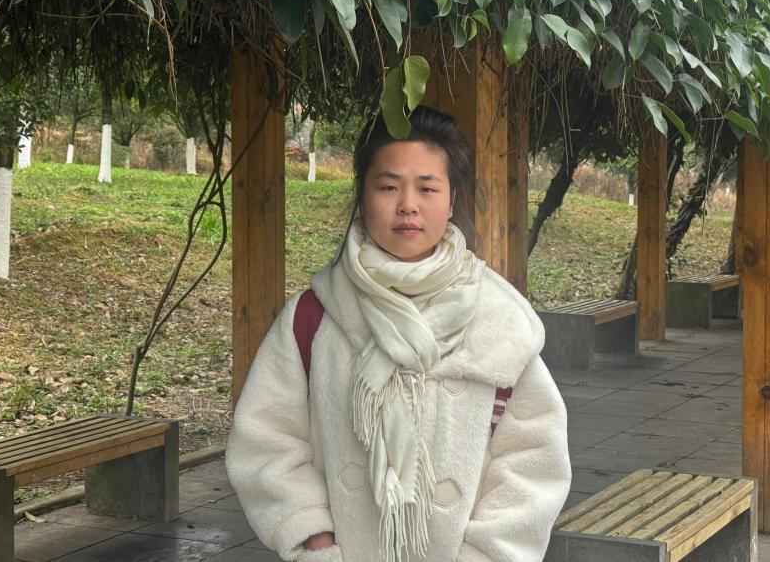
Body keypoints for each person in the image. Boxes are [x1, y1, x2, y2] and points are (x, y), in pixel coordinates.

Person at [226, 106, 571, 562]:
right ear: (363, 194)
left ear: (451, 200)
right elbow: (266, 440)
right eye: (388, 186)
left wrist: (486, 554)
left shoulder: (497, 320)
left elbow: (533, 458)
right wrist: (313, 538)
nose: (408, 204)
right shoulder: (314, 316)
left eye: (427, 188)